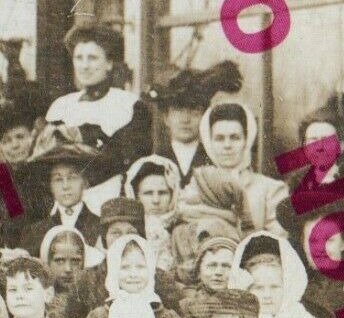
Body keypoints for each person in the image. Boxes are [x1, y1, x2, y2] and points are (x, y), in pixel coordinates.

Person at [44, 24, 152, 207]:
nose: (84, 66)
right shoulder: (61, 106)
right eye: (79, 58)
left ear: (109, 63)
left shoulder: (129, 105)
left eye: (93, 58)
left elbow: (127, 159)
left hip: (111, 199)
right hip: (65, 202)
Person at [63, 198, 187, 318]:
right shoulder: (85, 281)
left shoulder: (161, 280)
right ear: (105, 238)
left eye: (131, 232)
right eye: (115, 233)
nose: (123, 238)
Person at [178, 101, 289, 235]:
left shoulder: (271, 190)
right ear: (209, 142)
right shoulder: (196, 186)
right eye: (219, 139)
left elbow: (278, 239)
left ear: (246, 140)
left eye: (235, 138)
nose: (227, 145)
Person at [148, 62, 240, 182]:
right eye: (178, 111)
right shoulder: (154, 162)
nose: (185, 120)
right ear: (166, 118)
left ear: (204, 117)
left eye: (194, 111)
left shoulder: (216, 161)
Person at [17, 142, 104, 254]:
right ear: (50, 186)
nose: (65, 186)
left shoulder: (100, 227)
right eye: (58, 179)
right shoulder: (34, 232)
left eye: (72, 177)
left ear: (85, 182)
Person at [177, 235, 238, 318]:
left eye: (226, 266)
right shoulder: (186, 307)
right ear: (199, 270)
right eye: (211, 266)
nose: (218, 272)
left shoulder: (244, 305)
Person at [37, 224, 95, 318]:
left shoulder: (92, 303)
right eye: (59, 260)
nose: (68, 269)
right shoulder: (37, 301)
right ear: (47, 262)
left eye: (75, 261)